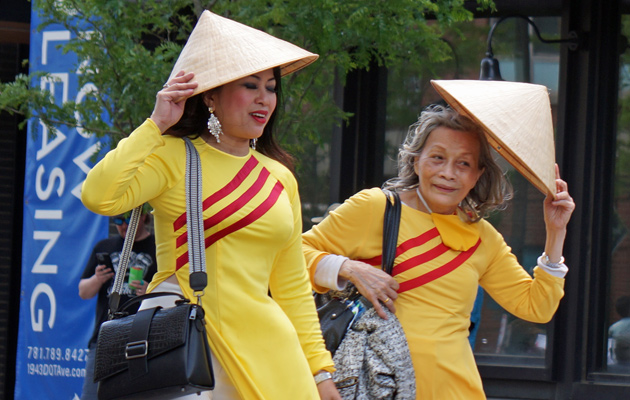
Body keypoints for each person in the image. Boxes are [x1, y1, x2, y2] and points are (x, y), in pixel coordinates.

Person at [81, 10, 340, 400]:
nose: (264, 98)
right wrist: (155, 125)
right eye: (250, 85)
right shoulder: (172, 155)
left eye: (271, 87)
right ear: (211, 97)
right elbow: (99, 196)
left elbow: (291, 287)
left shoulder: (280, 176)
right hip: (186, 339)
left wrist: (320, 372)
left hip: (269, 347)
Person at [302, 104, 575, 400]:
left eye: (463, 164)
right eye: (437, 158)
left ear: (478, 174)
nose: (448, 173)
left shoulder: (484, 237)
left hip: (457, 390)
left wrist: (555, 233)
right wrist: (350, 268)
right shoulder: (375, 208)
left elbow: (537, 306)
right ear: (416, 161)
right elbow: (292, 256)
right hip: (381, 387)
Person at [78, 207, 156, 400]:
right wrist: (97, 279)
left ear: (143, 216)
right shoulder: (105, 246)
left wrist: (150, 290)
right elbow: (83, 292)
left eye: (127, 220)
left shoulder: (158, 247)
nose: (122, 226)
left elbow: (174, 291)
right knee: (91, 395)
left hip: (143, 337)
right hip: (105, 335)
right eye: (117, 221)